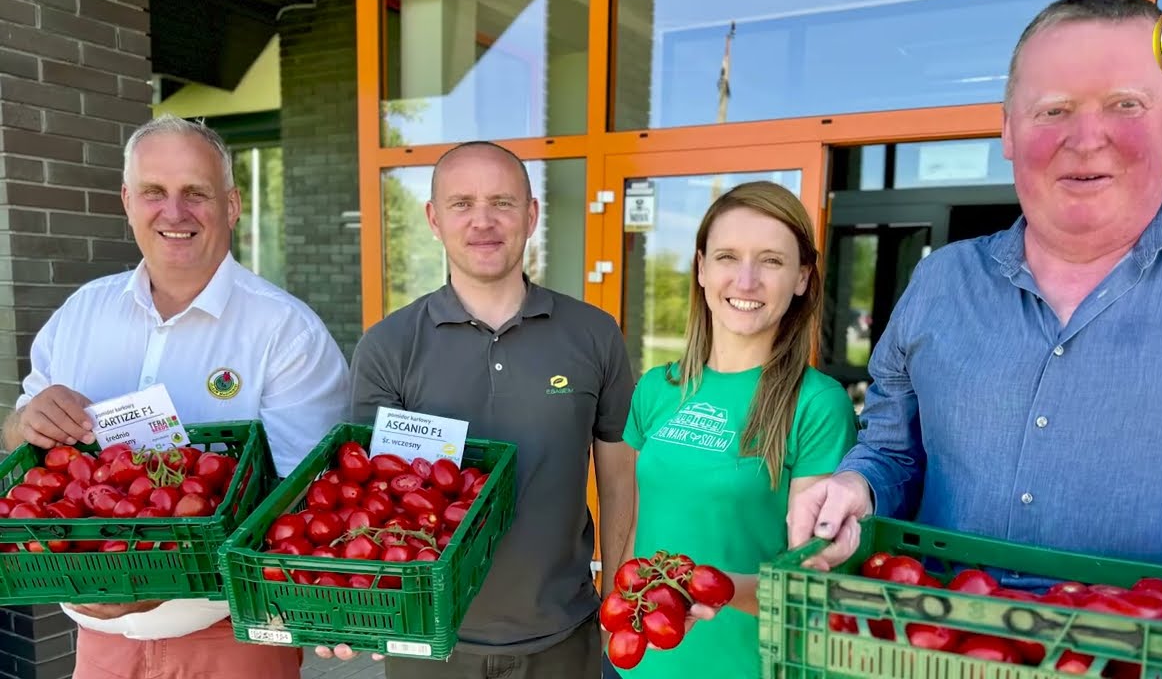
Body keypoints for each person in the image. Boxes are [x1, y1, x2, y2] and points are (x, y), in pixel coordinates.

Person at [786, 0, 1162, 650]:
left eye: (1125, 104)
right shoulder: (941, 281)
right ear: (1010, 130)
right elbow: (894, 452)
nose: (1087, 138)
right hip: (946, 658)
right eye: (1055, 110)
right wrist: (856, 485)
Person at [2, 114, 351, 678]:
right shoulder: (81, 313)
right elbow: (21, 440)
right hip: (98, 645)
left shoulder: (285, 330)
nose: (174, 212)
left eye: (196, 193)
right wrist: (23, 423)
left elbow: (305, 499)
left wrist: (164, 577)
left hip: (230, 642)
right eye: (153, 192)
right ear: (127, 201)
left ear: (232, 205)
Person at [318, 140, 637, 678]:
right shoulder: (388, 345)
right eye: (462, 203)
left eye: (503, 203)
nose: (483, 221)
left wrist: (621, 591)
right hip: (428, 637)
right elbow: (372, 498)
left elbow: (618, 478)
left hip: (562, 631)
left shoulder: (594, 334)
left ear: (531, 215)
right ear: (434, 219)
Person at [612, 182, 858, 678]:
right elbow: (638, 525)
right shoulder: (658, 388)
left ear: (802, 277)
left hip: (748, 666)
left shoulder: (818, 403)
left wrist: (712, 589)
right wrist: (615, 625)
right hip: (639, 666)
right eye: (727, 256)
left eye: (770, 261)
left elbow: (808, 576)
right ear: (701, 268)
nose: (746, 281)